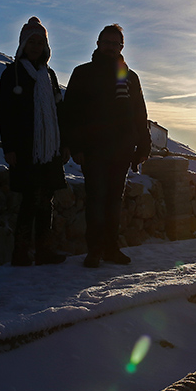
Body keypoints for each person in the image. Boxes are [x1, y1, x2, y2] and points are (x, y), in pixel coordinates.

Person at [61, 24, 151, 268]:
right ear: (98, 43)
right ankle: (95, 251)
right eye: (107, 42)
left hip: (122, 150)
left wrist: (143, 146)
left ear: (122, 47)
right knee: (96, 200)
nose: (111, 47)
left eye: (116, 43)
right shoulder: (83, 73)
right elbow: (71, 113)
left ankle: (111, 249)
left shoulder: (130, 77)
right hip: (93, 150)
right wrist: (76, 146)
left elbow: (139, 114)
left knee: (113, 201)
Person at [0, 17, 68, 266]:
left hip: (49, 149)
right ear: (23, 44)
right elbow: (5, 113)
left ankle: (43, 251)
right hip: (27, 148)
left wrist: (64, 144)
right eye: (32, 42)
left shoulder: (48, 75)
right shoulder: (12, 74)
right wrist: (9, 148)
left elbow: (59, 113)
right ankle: (21, 253)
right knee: (29, 200)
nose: (36, 47)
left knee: (45, 200)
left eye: (40, 42)